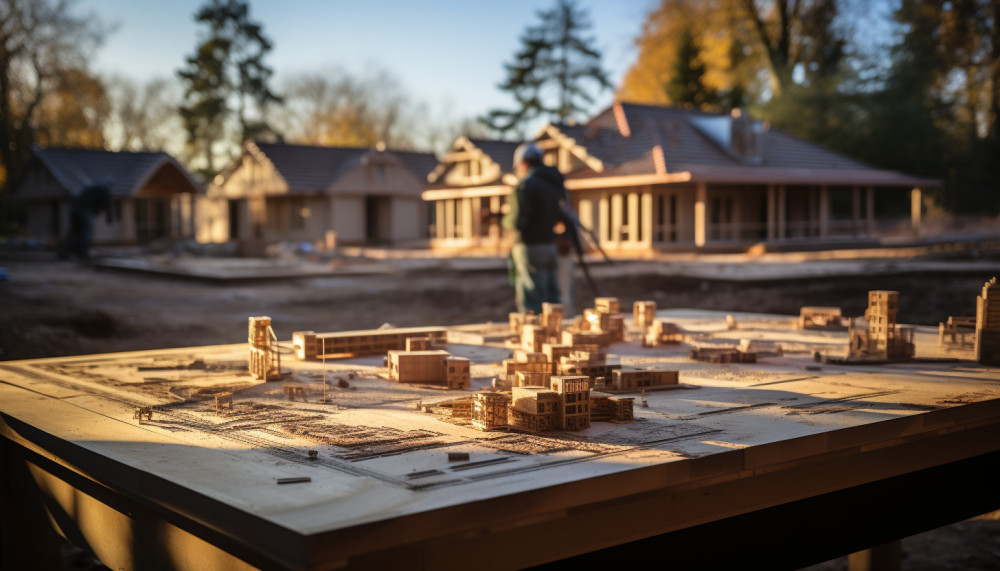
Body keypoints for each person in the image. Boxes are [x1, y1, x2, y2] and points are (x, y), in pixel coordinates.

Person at [502, 143, 576, 313]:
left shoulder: (525, 185)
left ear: (523, 163)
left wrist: (504, 221)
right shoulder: (552, 184)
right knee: (552, 298)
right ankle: (555, 332)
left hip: (530, 247)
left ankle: (535, 336)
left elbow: (517, 221)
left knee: (533, 300)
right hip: (550, 246)